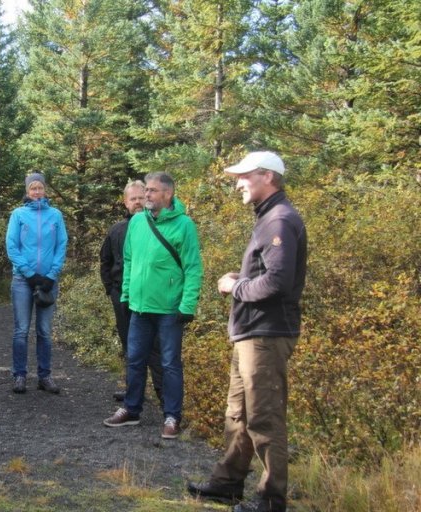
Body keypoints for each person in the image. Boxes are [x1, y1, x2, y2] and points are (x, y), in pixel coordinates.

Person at [187, 151, 307, 512]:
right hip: (252, 333)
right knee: (238, 414)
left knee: (264, 416)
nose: (238, 183)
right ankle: (227, 484)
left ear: (267, 177)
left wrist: (234, 287)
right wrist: (244, 279)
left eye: (244, 176)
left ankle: (271, 499)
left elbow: (278, 283)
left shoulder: (279, 220)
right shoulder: (268, 217)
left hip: (266, 335)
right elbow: (268, 275)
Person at [103, 171, 203, 440]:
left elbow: (193, 268)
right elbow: (129, 262)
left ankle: (172, 416)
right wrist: (126, 296)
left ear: (168, 194)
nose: (147, 195)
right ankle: (131, 409)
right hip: (139, 307)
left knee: (170, 363)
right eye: (146, 190)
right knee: (134, 360)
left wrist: (187, 304)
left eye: (152, 191)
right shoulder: (137, 222)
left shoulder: (184, 225)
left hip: (170, 309)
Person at [99, 180, 163, 404]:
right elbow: (105, 260)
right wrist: (111, 289)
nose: (137, 202)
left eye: (140, 197)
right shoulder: (117, 229)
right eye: (132, 198)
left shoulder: (158, 226)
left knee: (155, 346)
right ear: (125, 202)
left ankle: (162, 394)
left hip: (150, 296)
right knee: (129, 343)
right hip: (122, 296)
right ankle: (133, 390)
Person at [5, 172, 68, 394]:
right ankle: (19, 375)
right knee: (21, 330)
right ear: (27, 191)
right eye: (32, 188)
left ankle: (45, 376)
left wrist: (52, 275)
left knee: (44, 330)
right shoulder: (18, 214)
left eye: (39, 187)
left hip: (49, 281)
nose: (36, 191)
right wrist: (29, 273)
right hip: (23, 280)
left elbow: (62, 245)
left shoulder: (56, 215)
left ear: (45, 189)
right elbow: (12, 246)